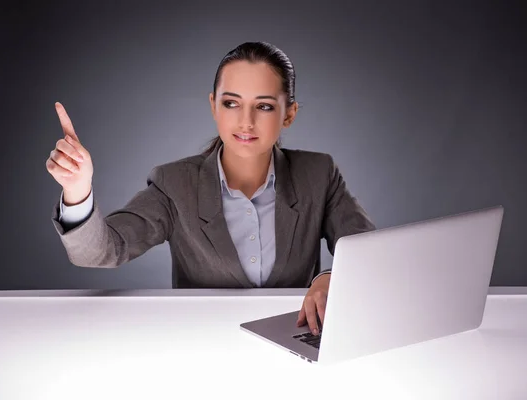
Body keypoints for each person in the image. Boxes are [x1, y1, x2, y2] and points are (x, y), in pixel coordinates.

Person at [46, 41, 376, 336]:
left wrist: (330, 279)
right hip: (204, 344)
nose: (246, 121)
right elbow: (101, 251)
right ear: (214, 105)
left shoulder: (318, 174)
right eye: (231, 103)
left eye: (263, 106)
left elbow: (368, 253)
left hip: (298, 343)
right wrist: (78, 188)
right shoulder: (174, 184)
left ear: (289, 113)